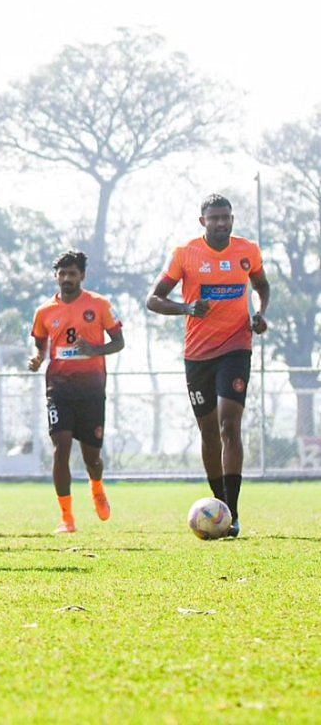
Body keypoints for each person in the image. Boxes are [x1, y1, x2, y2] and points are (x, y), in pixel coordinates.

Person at [146, 194, 268, 536]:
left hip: (236, 348)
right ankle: (220, 507)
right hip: (197, 355)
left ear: (232, 219)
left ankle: (234, 512)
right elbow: (153, 299)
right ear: (203, 221)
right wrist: (187, 309)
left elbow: (262, 286)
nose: (221, 223)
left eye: (226, 217)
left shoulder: (247, 251)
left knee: (230, 425)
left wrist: (260, 314)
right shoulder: (185, 254)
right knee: (209, 433)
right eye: (214, 218)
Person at [29, 250, 124, 533]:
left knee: (92, 458)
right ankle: (67, 518)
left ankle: (97, 487)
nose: (67, 279)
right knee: (61, 448)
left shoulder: (100, 305)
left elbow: (118, 342)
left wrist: (95, 350)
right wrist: (37, 357)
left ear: (82, 275)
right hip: (58, 388)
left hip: (92, 389)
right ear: (56, 276)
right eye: (62, 273)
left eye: (72, 274)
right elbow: (39, 343)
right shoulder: (44, 311)